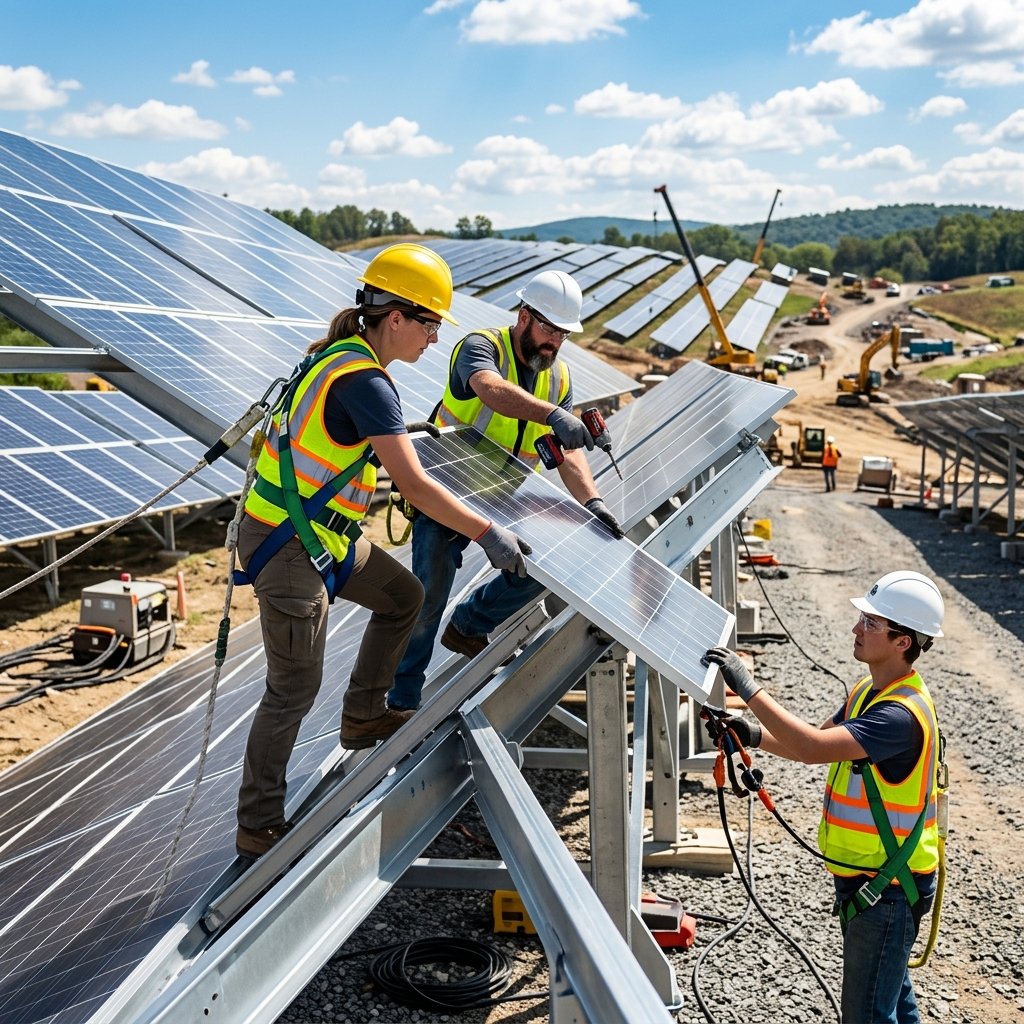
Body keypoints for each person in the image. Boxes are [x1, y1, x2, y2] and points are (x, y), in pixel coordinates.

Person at [234, 243, 532, 859]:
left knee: (404, 596)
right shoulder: (367, 381)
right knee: (293, 686)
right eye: (429, 324)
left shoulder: (344, 359)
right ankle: (257, 824)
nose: (432, 338)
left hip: (322, 537)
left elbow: (356, 444)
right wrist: (487, 533)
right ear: (395, 316)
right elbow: (417, 488)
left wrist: (412, 435)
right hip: (290, 546)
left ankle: (365, 714)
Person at [704, 570, 945, 1024]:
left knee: (868, 1015)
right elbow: (813, 739)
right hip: (877, 883)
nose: (857, 628)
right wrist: (752, 733)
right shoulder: (869, 692)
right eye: (862, 618)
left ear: (904, 642)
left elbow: (813, 751)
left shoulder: (898, 714)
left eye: (872, 623)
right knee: (890, 1003)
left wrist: (749, 688)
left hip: (887, 889)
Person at [387, 269, 623, 714]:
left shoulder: (559, 379)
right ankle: (401, 702)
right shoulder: (480, 347)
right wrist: (553, 414)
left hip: (503, 498)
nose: (554, 342)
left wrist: (593, 502)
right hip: (445, 490)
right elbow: (490, 389)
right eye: (548, 329)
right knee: (428, 594)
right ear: (523, 316)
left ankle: (470, 624)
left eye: (563, 334)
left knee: (547, 564)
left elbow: (568, 453)